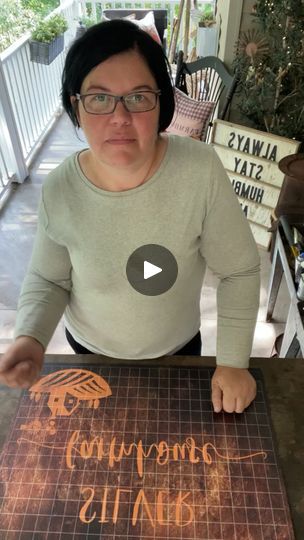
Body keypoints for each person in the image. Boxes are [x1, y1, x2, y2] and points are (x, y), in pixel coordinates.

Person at [0, 20, 260, 413]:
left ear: (162, 104)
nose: (119, 116)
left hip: (179, 353)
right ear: (76, 106)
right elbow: (49, 277)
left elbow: (238, 270)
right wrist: (30, 336)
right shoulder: (59, 189)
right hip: (89, 353)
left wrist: (234, 363)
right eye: (99, 98)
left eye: (138, 97)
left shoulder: (200, 171)